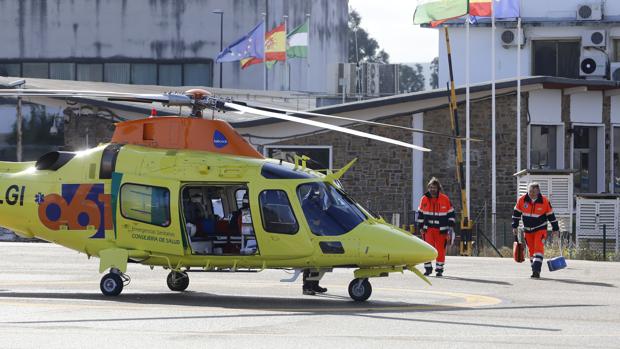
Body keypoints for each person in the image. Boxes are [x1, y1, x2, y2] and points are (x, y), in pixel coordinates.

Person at [512, 182, 559, 279]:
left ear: (538, 192)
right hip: (527, 230)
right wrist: (514, 226)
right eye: (530, 191)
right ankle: (534, 268)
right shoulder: (522, 200)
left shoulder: (545, 201)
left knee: (538, 249)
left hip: (540, 229)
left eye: (534, 192)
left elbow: (551, 216)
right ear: (527, 191)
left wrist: (555, 229)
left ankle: (536, 271)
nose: (532, 194)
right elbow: (516, 215)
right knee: (532, 251)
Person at [417, 177, 455, 277]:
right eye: (431, 187)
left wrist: (450, 227)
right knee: (427, 249)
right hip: (427, 229)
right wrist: (420, 226)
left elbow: (451, 214)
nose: (432, 189)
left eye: (434, 187)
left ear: (438, 188)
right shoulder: (424, 199)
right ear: (428, 188)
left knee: (440, 250)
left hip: (441, 230)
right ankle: (428, 268)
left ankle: (439, 269)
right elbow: (420, 214)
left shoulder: (445, 199)